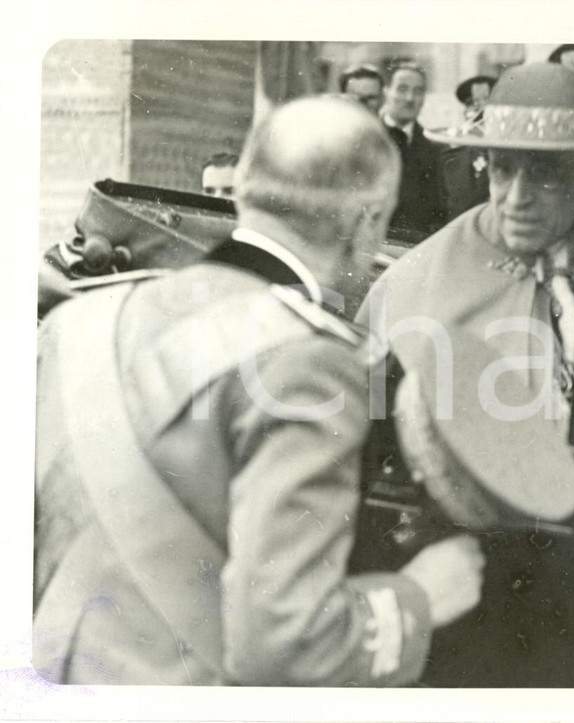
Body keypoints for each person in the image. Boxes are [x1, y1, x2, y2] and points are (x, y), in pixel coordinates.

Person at [33, 96, 485, 686]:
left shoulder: (80, 321)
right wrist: (420, 596)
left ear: (243, 190)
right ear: (367, 220)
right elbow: (286, 646)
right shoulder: (311, 362)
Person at [357, 62, 574, 687]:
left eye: (546, 173)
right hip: (474, 574)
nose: (516, 196)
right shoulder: (424, 280)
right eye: (503, 169)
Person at [379, 61, 447, 239]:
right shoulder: (368, 140)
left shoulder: (435, 148)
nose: (410, 98)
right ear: (386, 92)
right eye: (402, 89)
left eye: (418, 91)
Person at [439, 74, 496, 221]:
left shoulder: (512, 152)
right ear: (465, 113)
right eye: (473, 104)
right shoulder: (450, 154)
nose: (481, 111)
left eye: (488, 102)